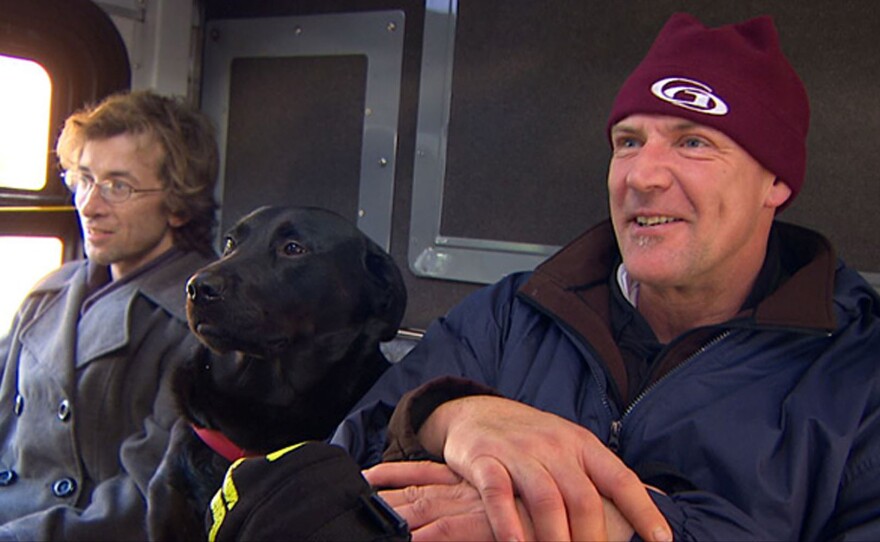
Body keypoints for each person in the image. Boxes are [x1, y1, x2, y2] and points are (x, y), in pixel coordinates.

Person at [332, 13, 880, 541]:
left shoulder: (857, 379)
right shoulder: (511, 316)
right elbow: (339, 469)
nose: (641, 176)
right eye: (628, 142)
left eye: (693, 142)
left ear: (775, 181)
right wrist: (447, 416)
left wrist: (616, 524)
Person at [0, 90, 219, 540]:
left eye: (118, 186)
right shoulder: (49, 294)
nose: (89, 205)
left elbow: (145, 499)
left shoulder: (200, 326)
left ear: (178, 205)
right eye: (83, 179)